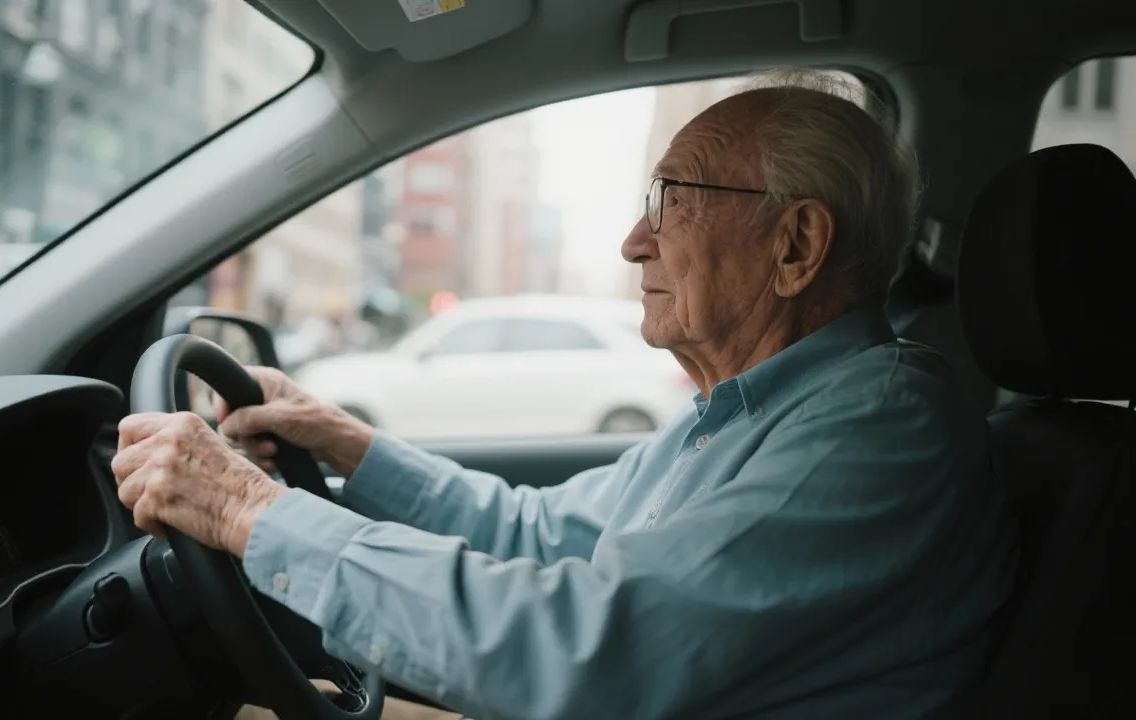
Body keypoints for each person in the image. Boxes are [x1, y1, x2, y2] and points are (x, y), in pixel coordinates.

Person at [111, 69, 1017, 719]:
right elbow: (538, 533)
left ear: (795, 246)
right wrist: (348, 442)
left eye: (671, 200)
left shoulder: (880, 425)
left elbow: (582, 652)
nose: (633, 240)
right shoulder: (756, 412)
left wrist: (250, 511)